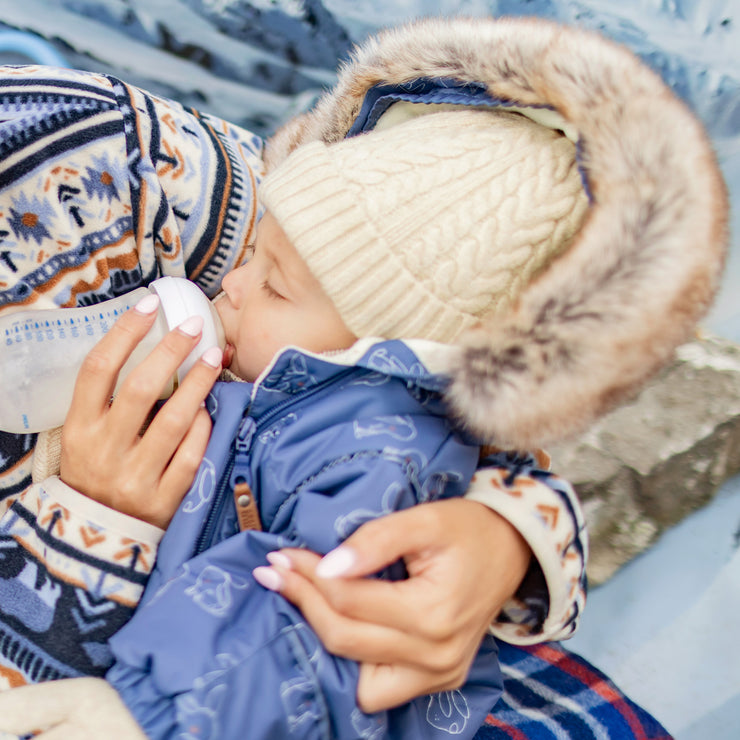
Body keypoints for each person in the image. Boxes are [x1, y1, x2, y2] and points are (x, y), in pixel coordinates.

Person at [0, 12, 727, 739]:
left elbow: (300, 626)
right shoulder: (308, 373)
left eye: (267, 275)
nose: (231, 287)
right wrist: (87, 529)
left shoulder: (97, 159)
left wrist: (507, 534)